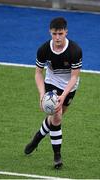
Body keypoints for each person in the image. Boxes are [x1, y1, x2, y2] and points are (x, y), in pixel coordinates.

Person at [24, 17, 82, 169]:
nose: (57, 37)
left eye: (60, 34)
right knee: (56, 118)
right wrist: (42, 95)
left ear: (66, 32)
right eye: (54, 34)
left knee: (56, 117)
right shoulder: (43, 49)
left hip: (70, 86)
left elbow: (75, 76)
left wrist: (63, 96)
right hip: (52, 82)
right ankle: (57, 157)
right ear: (50, 32)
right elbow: (38, 73)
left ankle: (38, 137)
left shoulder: (75, 50)